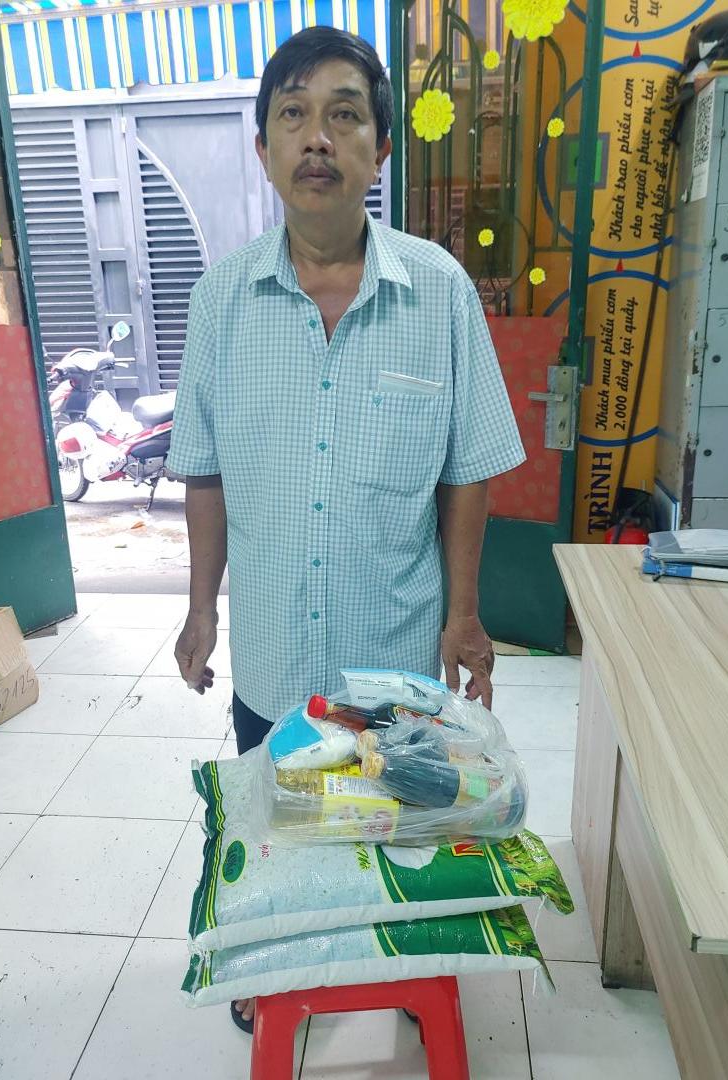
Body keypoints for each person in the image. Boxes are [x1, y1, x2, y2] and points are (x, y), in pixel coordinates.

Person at [168, 25, 525, 1032]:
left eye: (343, 114)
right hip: (274, 651)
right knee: (281, 825)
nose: (316, 137)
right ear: (264, 149)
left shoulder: (439, 292)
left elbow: (466, 472)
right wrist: (201, 608)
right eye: (293, 114)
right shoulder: (220, 300)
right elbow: (202, 470)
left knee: (395, 827)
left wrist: (464, 614)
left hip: (395, 655)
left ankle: (400, 966)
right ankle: (274, 968)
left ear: (379, 148)